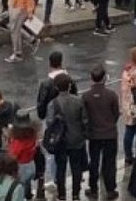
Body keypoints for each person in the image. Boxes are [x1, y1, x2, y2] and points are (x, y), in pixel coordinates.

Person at [47, 73, 88, 201]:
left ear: (56, 88)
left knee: (61, 169)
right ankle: (76, 194)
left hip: (61, 141)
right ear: (70, 86)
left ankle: (62, 194)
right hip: (76, 139)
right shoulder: (78, 100)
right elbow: (85, 120)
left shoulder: (53, 104)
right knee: (76, 167)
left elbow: (49, 122)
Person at [82, 66, 120, 200]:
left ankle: (93, 188)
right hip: (109, 133)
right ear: (104, 78)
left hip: (94, 135)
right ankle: (110, 189)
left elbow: (84, 117)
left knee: (94, 162)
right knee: (110, 162)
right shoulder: (111, 95)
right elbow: (116, 114)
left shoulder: (86, 96)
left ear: (91, 79)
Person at [8, 110, 39, 199]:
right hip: (31, 164)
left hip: (21, 167)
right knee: (28, 185)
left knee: (20, 190)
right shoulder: (32, 135)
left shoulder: (18, 142)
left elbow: (13, 156)